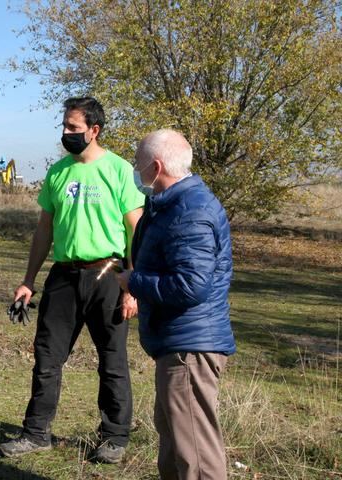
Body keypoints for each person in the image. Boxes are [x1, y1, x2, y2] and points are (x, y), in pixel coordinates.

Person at [0, 97, 144, 464]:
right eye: (64, 126)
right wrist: (28, 280)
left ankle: (114, 438)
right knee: (46, 357)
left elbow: (136, 231)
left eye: (73, 128)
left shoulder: (120, 171)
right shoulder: (58, 173)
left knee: (112, 360)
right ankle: (36, 433)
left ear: (94, 130)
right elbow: (44, 230)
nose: (65, 134)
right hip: (64, 275)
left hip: (109, 274)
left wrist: (134, 285)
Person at [116, 129, 236, 479]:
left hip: (190, 348)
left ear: (155, 166)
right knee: (174, 443)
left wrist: (133, 282)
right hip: (178, 342)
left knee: (195, 455)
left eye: (138, 162)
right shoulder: (171, 205)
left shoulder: (190, 211)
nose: (135, 169)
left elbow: (191, 286)